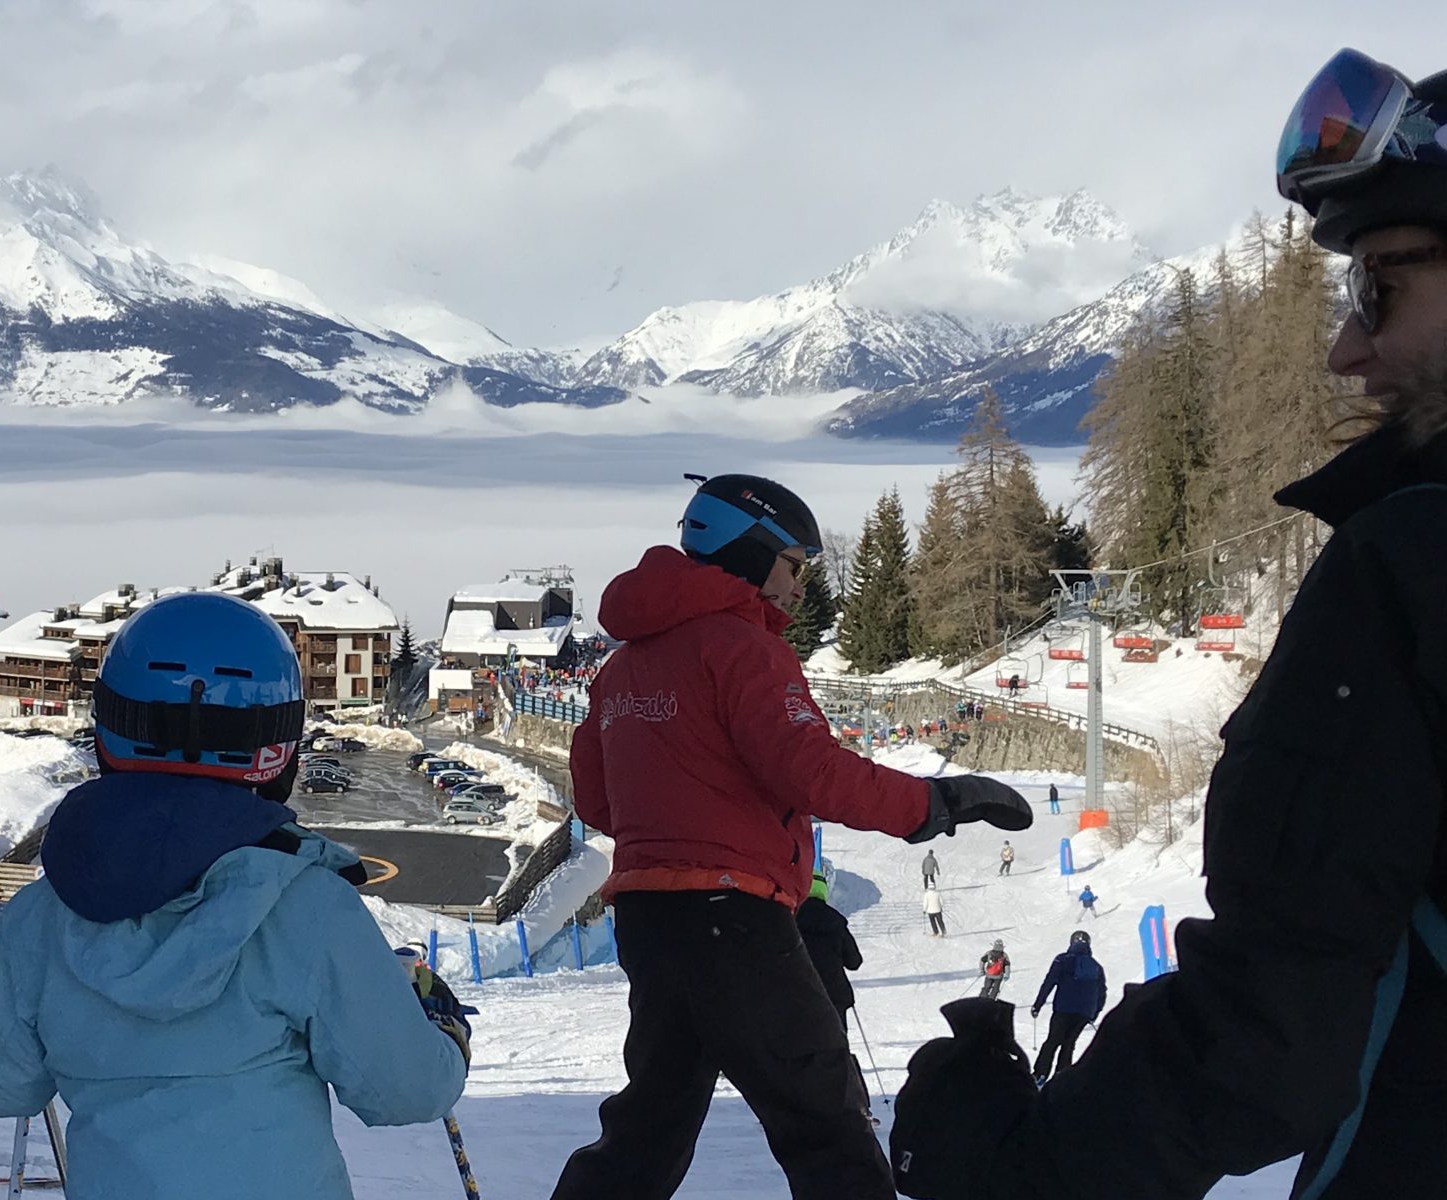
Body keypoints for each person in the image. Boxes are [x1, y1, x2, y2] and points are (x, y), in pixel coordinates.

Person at [891, 50, 1447, 1200]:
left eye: (1380, 283)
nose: (1347, 347)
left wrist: (1014, 1164)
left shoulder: (1409, 563)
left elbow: (1279, 1012)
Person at [553, 473, 1032, 1200]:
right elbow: (812, 772)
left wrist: (762, 876)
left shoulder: (623, 667)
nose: (801, 587)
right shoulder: (742, 647)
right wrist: (937, 802)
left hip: (651, 919)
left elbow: (599, 801)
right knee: (825, 1121)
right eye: (794, 566)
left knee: (648, 1129)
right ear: (750, 553)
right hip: (729, 920)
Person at [0, 593, 468, 1199]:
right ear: (276, 747)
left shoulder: (46, 912)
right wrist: (440, 1026)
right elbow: (406, 1090)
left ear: (111, 727)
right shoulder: (305, 905)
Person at [797, 871, 874, 1124]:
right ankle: (856, 1105)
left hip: (800, 995)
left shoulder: (788, 919)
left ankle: (801, 1106)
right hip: (835, 996)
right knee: (838, 1049)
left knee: (800, 1050)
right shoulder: (835, 921)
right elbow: (855, 961)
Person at [1030, 931, 1107, 1086]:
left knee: (1052, 1041)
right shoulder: (1096, 966)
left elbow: (1049, 982)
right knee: (1069, 1044)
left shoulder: (1062, 960)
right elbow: (1102, 993)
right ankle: (1062, 1078)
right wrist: (1094, 1014)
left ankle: (1040, 1074)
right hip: (1084, 1013)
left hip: (1063, 1009)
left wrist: (1038, 1004)